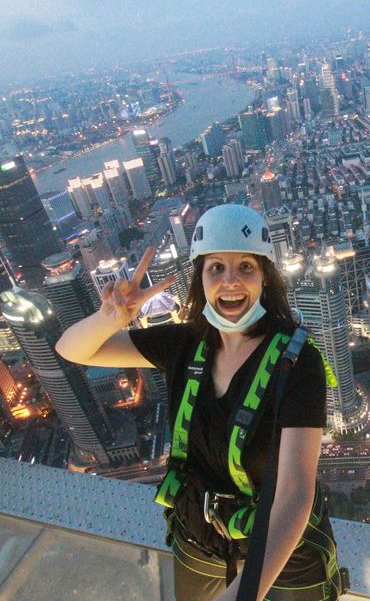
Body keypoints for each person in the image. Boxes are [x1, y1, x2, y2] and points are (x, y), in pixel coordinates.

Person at [56, 204, 343, 601]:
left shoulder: (297, 362)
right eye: (215, 268)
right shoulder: (184, 343)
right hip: (199, 540)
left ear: (265, 278)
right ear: (200, 278)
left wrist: (243, 595)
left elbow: (295, 491)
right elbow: (73, 349)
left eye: (246, 267)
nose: (230, 282)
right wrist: (111, 317)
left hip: (281, 552)